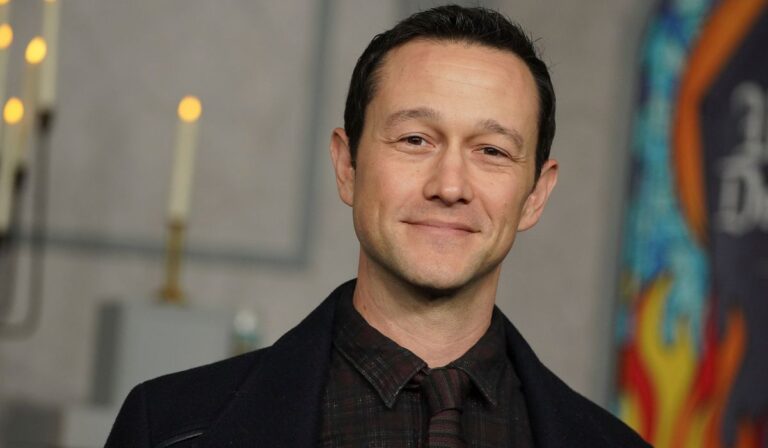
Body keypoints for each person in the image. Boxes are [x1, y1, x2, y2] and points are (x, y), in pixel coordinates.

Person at [107, 5, 650, 447]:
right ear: (348, 166)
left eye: (491, 150)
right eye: (415, 140)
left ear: (535, 195)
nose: (450, 186)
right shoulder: (169, 429)